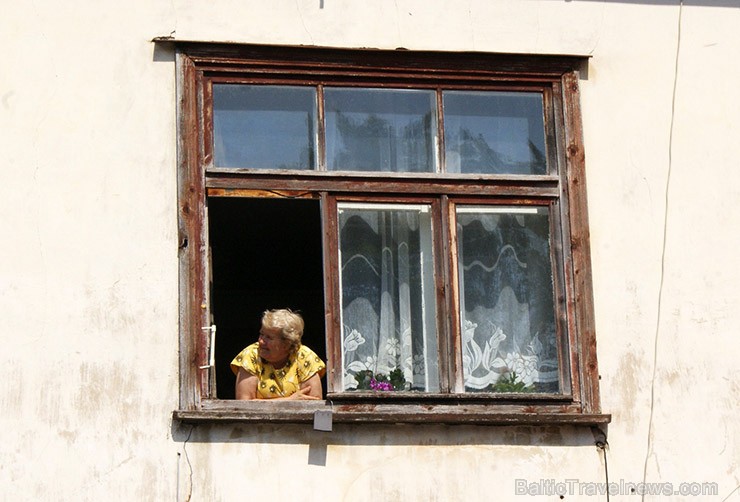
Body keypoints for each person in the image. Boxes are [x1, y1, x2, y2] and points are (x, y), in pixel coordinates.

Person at [231, 308, 326, 400]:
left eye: (268, 337)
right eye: (261, 334)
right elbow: (245, 404)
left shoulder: (305, 357)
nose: (261, 341)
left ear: (286, 343)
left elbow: (313, 403)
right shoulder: (251, 356)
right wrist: (289, 400)